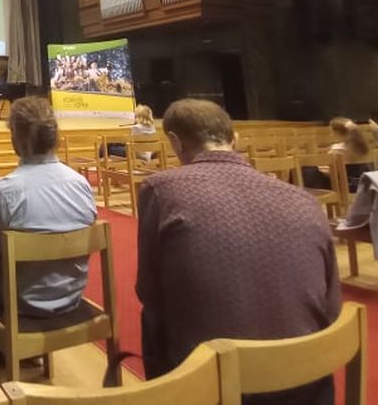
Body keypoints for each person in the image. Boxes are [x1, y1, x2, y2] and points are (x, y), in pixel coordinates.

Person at [137, 99, 341, 405]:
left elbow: (148, 291)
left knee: (152, 316)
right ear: (235, 139)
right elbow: (332, 308)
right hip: (308, 385)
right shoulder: (304, 200)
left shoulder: (161, 189)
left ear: (175, 143)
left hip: (214, 383)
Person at [0, 97, 97, 317]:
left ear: (15, 139)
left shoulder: (3, 193)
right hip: (72, 298)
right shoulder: (82, 185)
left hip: (16, 304)